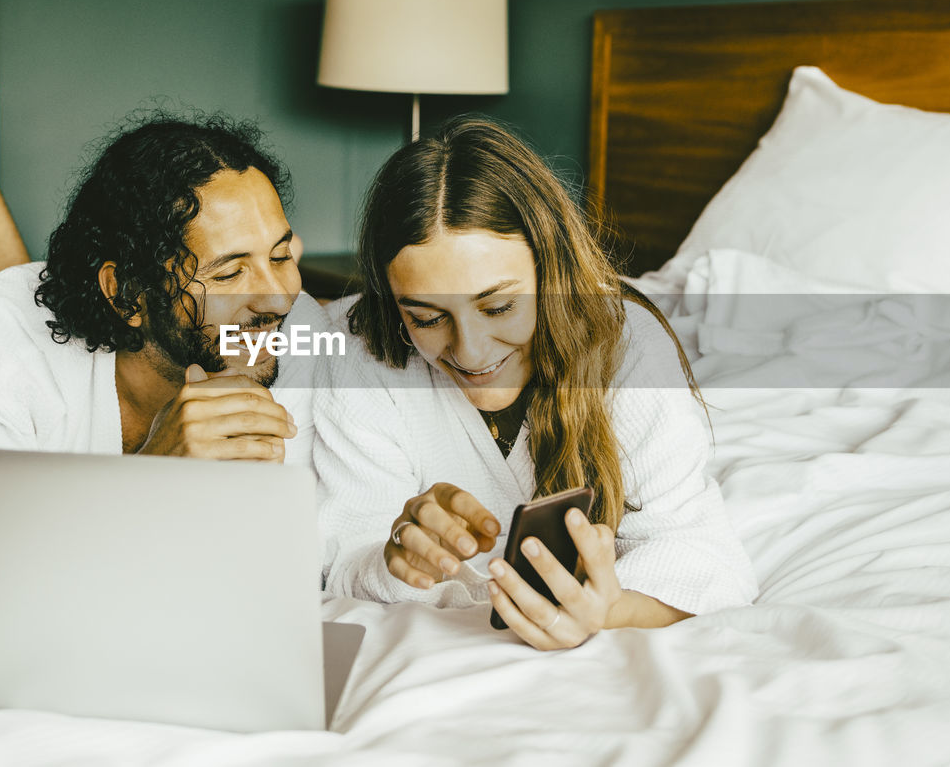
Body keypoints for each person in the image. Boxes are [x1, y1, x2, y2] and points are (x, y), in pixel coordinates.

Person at [314, 117, 757, 649]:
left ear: (553, 271)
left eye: (500, 306)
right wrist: (396, 560)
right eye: (427, 318)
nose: (471, 352)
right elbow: (347, 561)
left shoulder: (627, 349)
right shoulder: (356, 348)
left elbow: (702, 556)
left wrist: (611, 610)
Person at [0, 25, 324, 463]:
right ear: (125, 293)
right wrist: (155, 471)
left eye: (281, 255)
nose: (280, 298)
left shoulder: (296, 336)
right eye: (230, 273)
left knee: (25, 291)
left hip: (49, 303)